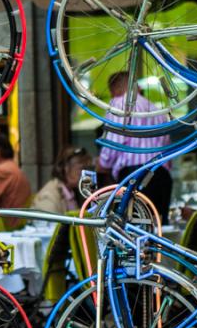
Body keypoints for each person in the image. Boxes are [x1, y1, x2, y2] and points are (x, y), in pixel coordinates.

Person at [96, 71, 173, 223]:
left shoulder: (118, 104)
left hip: (134, 175)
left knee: (134, 231)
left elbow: (114, 142)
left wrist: (103, 163)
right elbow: (166, 145)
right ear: (137, 87)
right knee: (159, 228)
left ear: (114, 90)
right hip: (162, 175)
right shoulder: (156, 109)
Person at [32, 146, 93, 214]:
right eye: (82, 168)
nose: (86, 174)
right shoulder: (49, 196)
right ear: (66, 168)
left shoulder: (73, 192)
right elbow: (52, 223)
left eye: (87, 169)